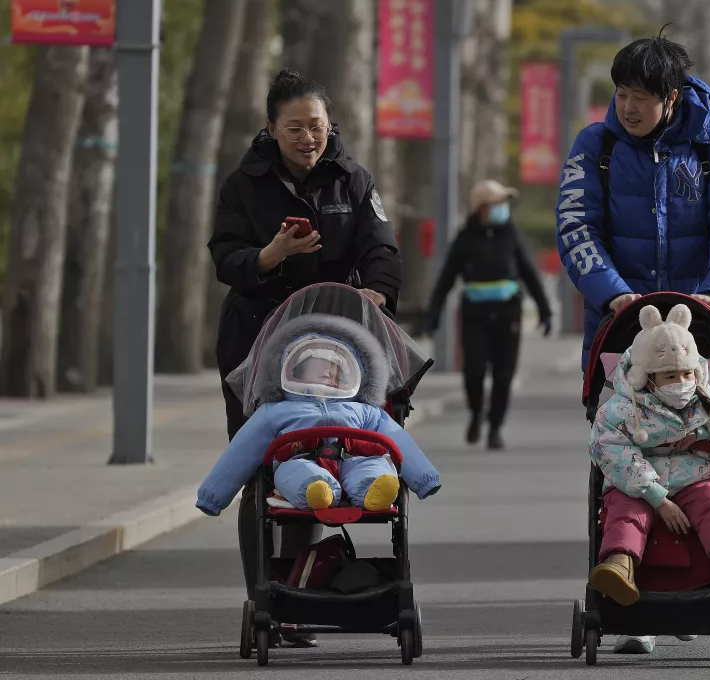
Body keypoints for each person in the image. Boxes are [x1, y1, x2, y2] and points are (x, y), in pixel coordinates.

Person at [555, 29, 710, 655]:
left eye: (641, 95)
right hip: (618, 337)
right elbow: (576, 226)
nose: (628, 107)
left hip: (696, 343)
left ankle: (698, 587)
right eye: (620, 94)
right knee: (624, 464)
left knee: (699, 461)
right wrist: (612, 292)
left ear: (672, 97)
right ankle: (632, 599)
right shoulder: (596, 147)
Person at [206, 68, 401, 642]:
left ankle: (297, 588)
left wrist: (376, 292)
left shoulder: (353, 179)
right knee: (258, 466)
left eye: (316, 127)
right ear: (272, 129)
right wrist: (270, 255)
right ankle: (263, 598)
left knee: (318, 462)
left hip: (334, 346)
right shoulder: (243, 185)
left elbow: (383, 249)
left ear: (329, 126)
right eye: (294, 128)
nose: (308, 138)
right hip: (256, 341)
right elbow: (225, 257)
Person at [588, 304, 710, 606]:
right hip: (639, 486)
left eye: (687, 373)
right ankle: (619, 566)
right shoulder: (619, 411)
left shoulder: (707, 399)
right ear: (646, 378)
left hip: (694, 478)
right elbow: (612, 452)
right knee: (626, 515)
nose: (681, 382)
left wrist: (704, 435)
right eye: (669, 376)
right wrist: (658, 498)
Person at [196, 316, 441, 518]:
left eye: (335, 370)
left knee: (375, 465)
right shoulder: (277, 410)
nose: (328, 374)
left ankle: (374, 488)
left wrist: (424, 478)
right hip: (301, 459)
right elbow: (242, 450)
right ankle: (317, 490)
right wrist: (213, 496)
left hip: (355, 458)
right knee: (295, 472)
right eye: (319, 367)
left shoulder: (364, 410)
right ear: (295, 371)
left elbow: (398, 440)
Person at [424, 180, 552, 450]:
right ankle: (475, 412)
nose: (503, 209)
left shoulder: (511, 233)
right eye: (497, 204)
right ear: (481, 208)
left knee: (504, 373)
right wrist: (433, 312)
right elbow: (447, 276)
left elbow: (529, 272)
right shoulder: (465, 237)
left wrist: (544, 310)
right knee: (474, 369)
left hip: (508, 312)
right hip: (475, 313)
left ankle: (495, 427)